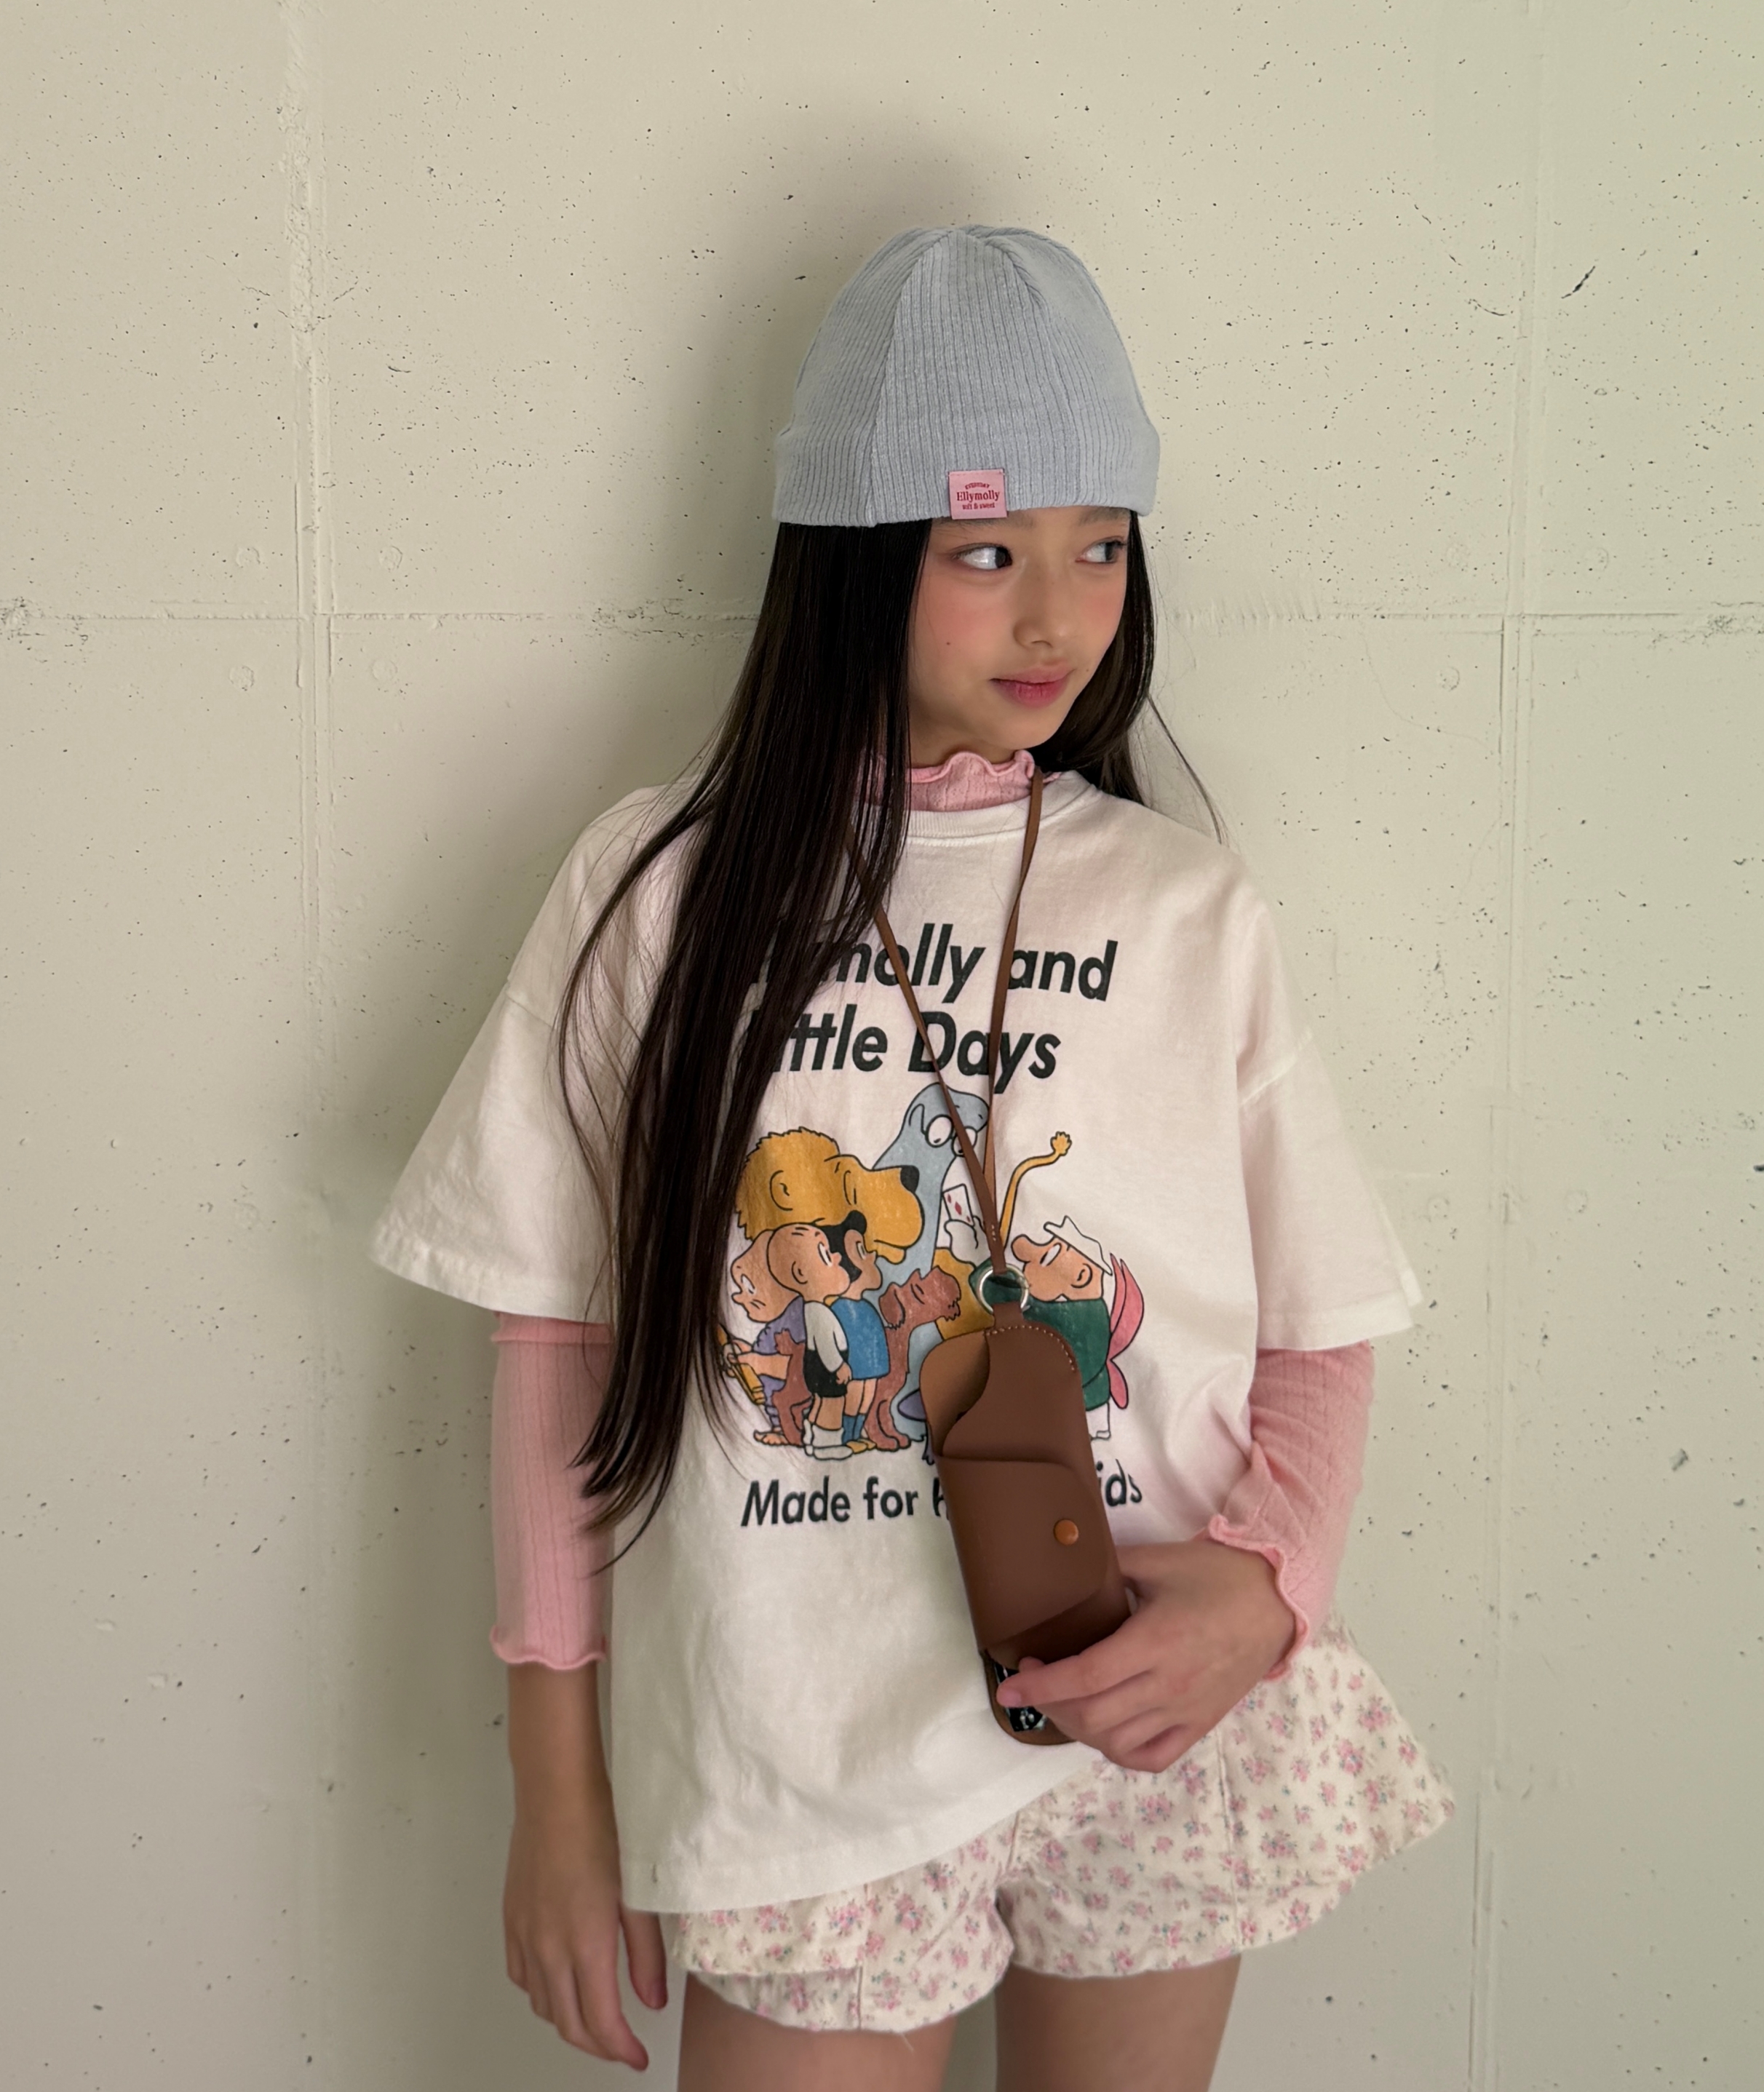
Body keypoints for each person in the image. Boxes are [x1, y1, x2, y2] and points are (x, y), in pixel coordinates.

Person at [370, 226, 1452, 2091]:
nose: (1055, 616)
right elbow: (558, 1348)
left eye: (1098, 545)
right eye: (986, 551)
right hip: (810, 1744)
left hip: (1147, 1708)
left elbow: (1320, 1321)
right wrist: (558, 1794)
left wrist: (1261, 1586)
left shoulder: (1184, 903)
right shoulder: (663, 891)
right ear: (852, 555)